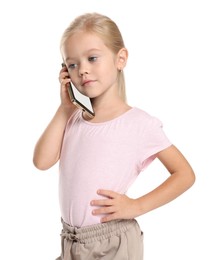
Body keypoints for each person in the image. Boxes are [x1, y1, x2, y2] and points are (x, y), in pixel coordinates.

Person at [33, 12, 195, 260]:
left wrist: (137, 206)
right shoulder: (73, 118)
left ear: (120, 59)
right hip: (71, 240)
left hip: (112, 241)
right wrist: (64, 109)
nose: (82, 70)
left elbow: (184, 175)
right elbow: (41, 161)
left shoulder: (139, 124)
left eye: (92, 58)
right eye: (72, 64)